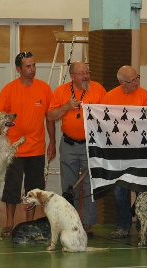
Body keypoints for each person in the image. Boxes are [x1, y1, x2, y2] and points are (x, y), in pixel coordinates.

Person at [0, 51, 56, 237]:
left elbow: (50, 118)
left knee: (34, 189)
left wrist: (52, 142)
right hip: (14, 150)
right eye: (28, 66)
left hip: (37, 148)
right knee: (12, 187)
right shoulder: (9, 89)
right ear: (18, 69)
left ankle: (30, 223)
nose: (32, 69)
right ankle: (10, 222)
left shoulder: (44, 88)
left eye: (34, 65)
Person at [47, 61, 106, 237]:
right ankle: (69, 221)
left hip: (91, 144)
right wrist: (65, 107)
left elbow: (108, 114)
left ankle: (88, 223)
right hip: (69, 144)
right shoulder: (61, 91)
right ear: (72, 76)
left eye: (87, 72)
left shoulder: (98, 89)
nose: (86, 76)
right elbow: (50, 115)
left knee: (90, 185)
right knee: (68, 184)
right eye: (81, 73)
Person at [101, 65, 147, 239]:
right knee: (119, 191)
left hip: (140, 150)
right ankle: (123, 226)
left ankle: (143, 225)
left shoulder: (144, 95)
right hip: (118, 151)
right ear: (122, 83)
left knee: (142, 190)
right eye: (132, 81)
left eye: (137, 78)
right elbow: (104, 123)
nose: (137, 83)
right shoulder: (109, 96)